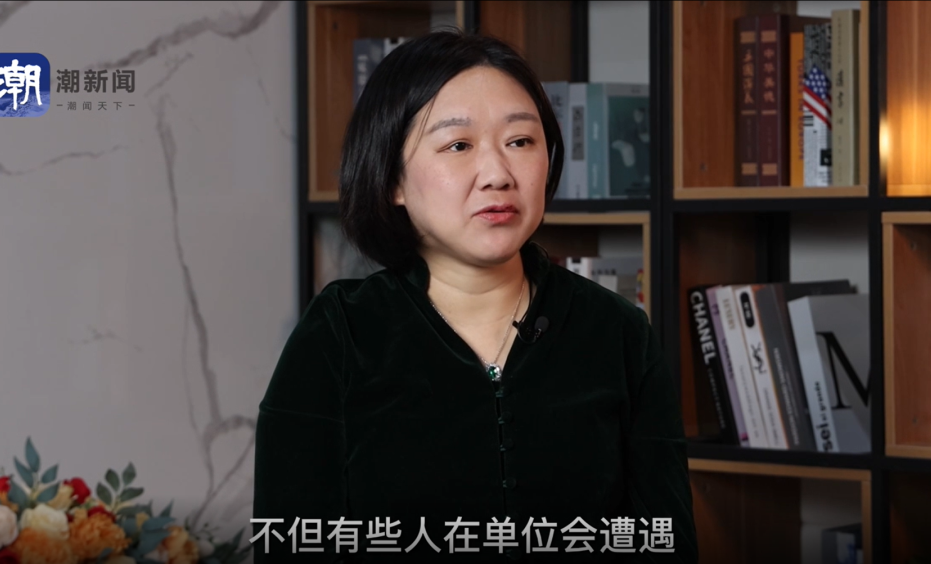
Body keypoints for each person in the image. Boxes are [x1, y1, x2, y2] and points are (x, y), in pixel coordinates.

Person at [253, 28, 697, 563]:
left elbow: (665, 541)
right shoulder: (341, 333)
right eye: (458, 146)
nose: (497, 174)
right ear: (392, 179)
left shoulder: (617, 331)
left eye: (520, 141)